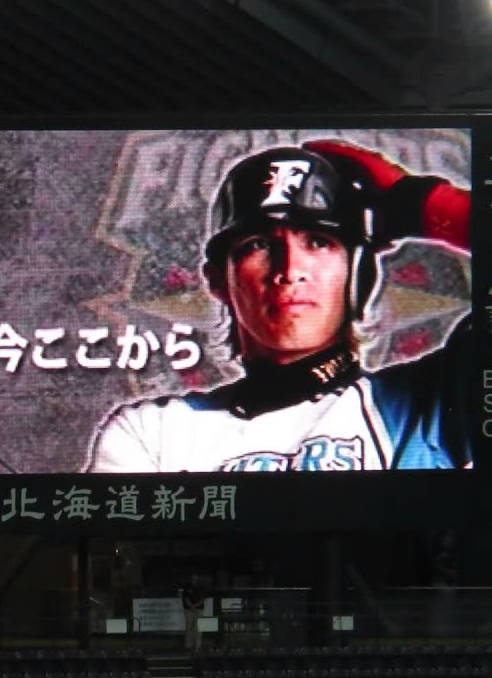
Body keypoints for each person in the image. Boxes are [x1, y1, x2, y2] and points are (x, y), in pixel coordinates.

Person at [86, 139, 472, 472]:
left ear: (359, 275)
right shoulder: (153, 432)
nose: (289, 271)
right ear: (219, 280)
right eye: (258, 245)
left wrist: (426, 204)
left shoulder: (426, 406)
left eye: (319, 242)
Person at [181, 582, 206, 650]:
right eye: (193, 577)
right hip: (188, 609)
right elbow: (185, 597)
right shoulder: (187, 586)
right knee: (189, 627)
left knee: (198, 627)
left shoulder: (201, 586)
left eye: (196, 577)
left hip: (199, 609)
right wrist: (190, 605)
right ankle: (188, 646)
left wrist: (195, 605)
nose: (194, 578)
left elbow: (203, 598)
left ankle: (198, 646)